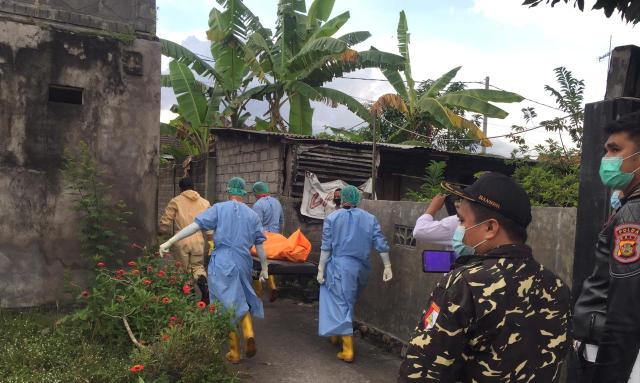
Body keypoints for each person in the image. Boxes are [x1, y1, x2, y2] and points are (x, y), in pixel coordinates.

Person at [398, 172, 571, 382]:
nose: (460, 230)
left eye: (462, 221)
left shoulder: (463, 284)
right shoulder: (557, 287)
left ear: (490, 228)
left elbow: (420, 371)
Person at [159, 177, 269, 364]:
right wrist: (265, 269)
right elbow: (260, 247)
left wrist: (169, 241)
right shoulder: (253, 215)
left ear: (228, 192)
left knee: (224, 305)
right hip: (243, 261)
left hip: (223, 262)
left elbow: (193, 227)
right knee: (241, 298)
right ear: (244, 194)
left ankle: (234, 351)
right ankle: (249, 333)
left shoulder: (219, 209)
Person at [573, 112, 640, 383]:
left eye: (615, 149)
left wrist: (607, 374)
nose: (606, 158)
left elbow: (625, 306)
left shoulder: (633, 215)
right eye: (606, 150)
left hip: (616, 357)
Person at [317, 185, 393, 363]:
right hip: (361, 268)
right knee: (346, 301)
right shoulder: (370, 218)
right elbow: (380, 242)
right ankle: (336, 335)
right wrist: (387, 265)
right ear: (357, 199)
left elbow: (326, 247)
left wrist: (321, 269)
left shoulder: (332, 218)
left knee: (341, 303)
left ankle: (347, 349)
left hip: (339, 267)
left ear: (341, 199)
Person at [159, 177, 211, 303]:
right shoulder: (205, 202)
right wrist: (210, 240)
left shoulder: (176, 201)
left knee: (183, 269)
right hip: (198, 240)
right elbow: (210, 225)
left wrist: (162, 234)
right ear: (194, 187)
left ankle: (189, 296)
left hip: (181, 239)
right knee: (198, 267)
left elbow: (165, 221)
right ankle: (205, 292)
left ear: (181, 188)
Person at [251, 181, 285, 302]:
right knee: (268, 264)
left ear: (257, 193)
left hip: (263, 238)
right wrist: (280, 237)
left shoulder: (258, 205)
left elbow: (256, 224)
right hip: (275, 238)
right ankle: (273, 286)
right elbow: (282, 221)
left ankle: (258, 292)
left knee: (256, 265)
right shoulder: (277, 202)